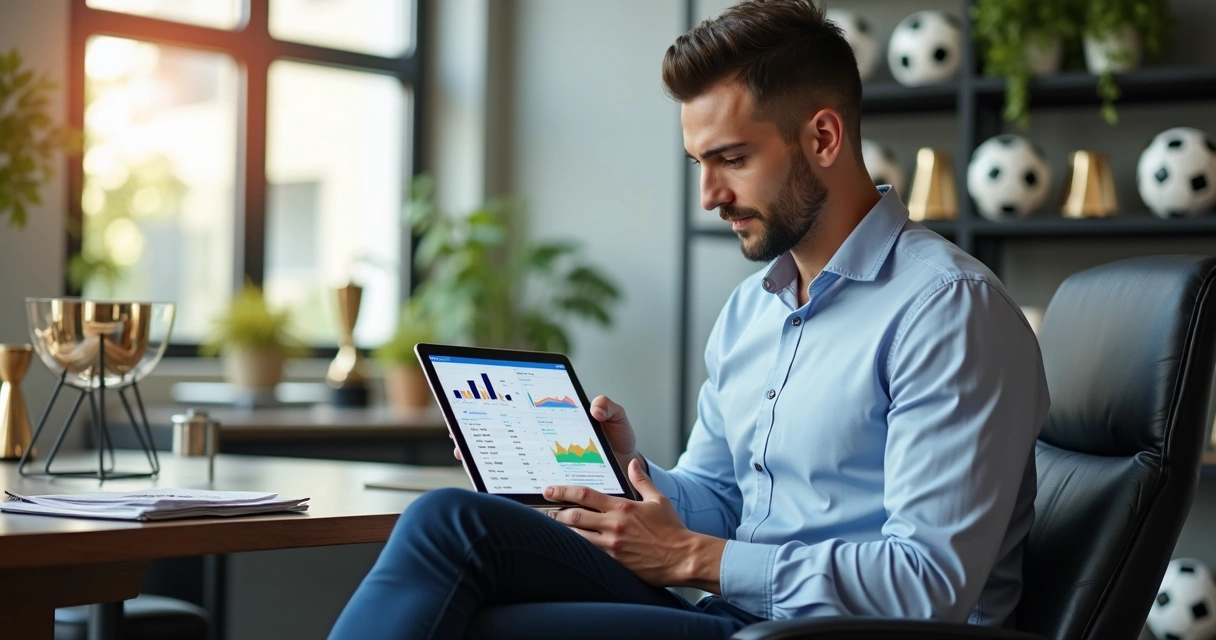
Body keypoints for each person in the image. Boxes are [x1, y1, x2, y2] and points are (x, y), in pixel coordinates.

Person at [328, 0, 1048, 638]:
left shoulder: (946, 310)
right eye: (699, 162)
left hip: (845, 637)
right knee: (448, 525)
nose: (709, 195)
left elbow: (929, 585)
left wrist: (692, 559)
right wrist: (625, 472)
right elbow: (727, 502)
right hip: (737, 616)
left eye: (731, 159)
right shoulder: (751, 311)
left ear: (823, 139)